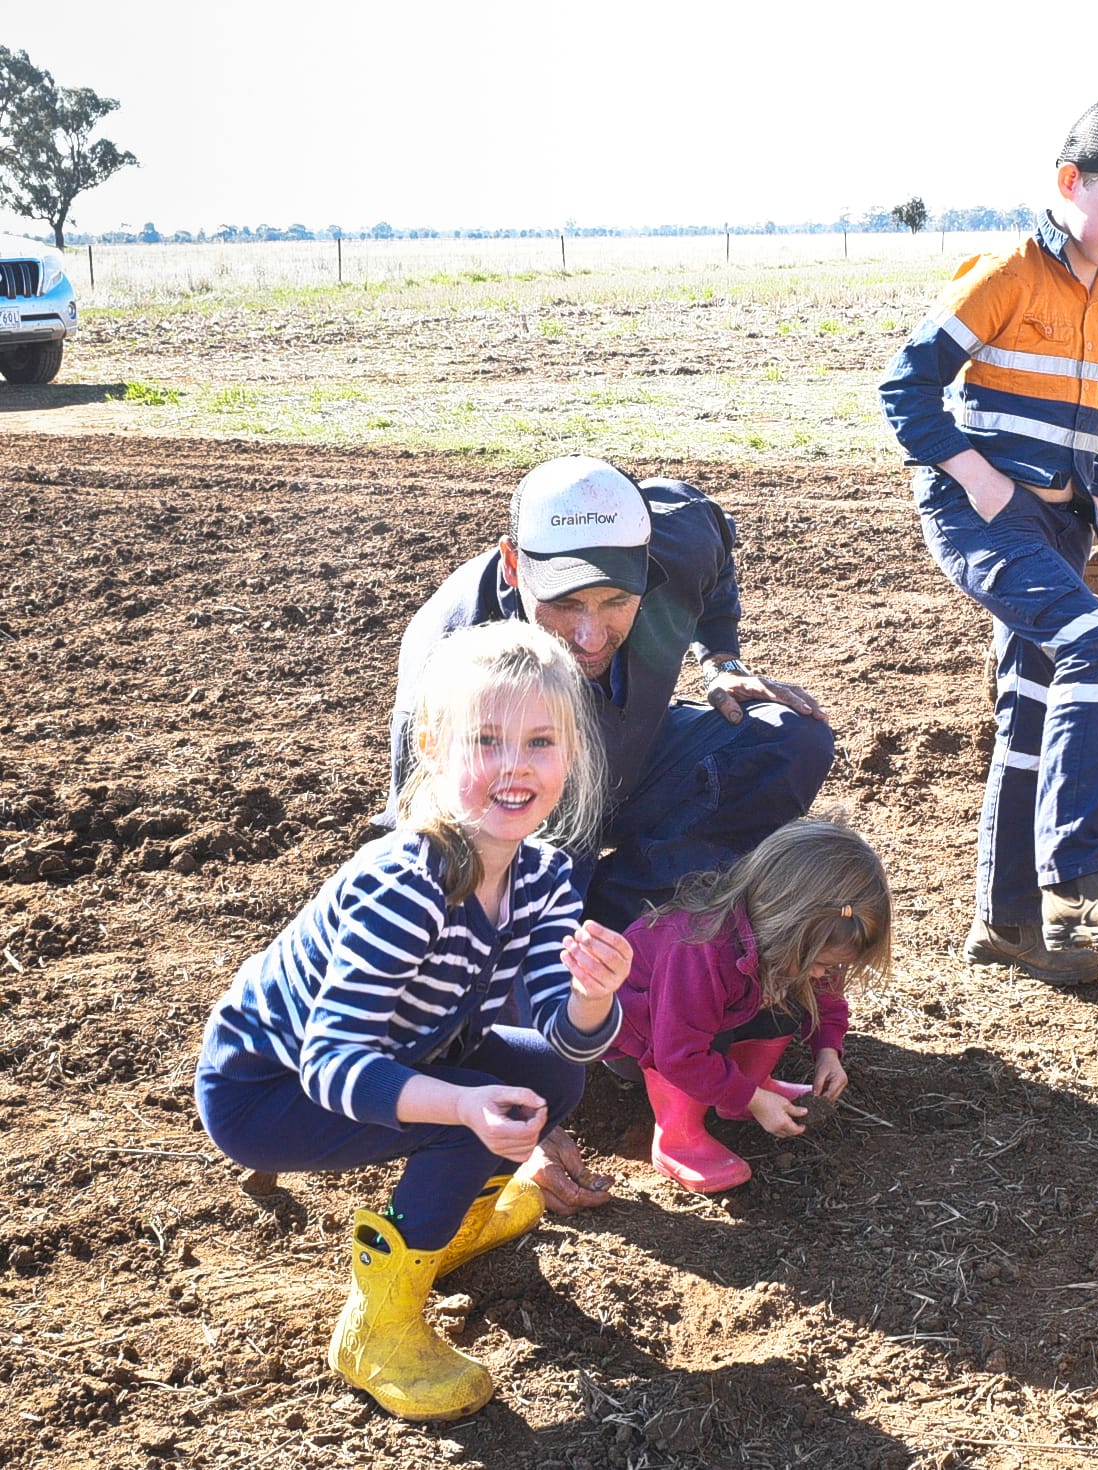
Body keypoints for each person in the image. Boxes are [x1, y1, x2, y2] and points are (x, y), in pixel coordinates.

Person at [196, 621, 632, 1422]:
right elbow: (330, 1061)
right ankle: (379, 1330)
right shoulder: (409, 884)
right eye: (486, 740)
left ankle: (451, 1224)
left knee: (548, 1074)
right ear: (432, 747)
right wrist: (463, 1105)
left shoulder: (541, 874)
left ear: (571, 754)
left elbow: (563, 1032)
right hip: (269, 1088)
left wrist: (595, 995)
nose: (514, 766)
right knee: (474, 1114)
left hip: (404, 1051)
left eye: (540, 741)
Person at [387, 455, 835, 1213]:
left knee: (786, 740)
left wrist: (721, 661)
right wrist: (511, 1116)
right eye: (563, 604)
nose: (591, 634)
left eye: (617, 601)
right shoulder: (455, 663)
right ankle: (570, 965)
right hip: (526, 816)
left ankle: (636, 949)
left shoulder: (678, 538)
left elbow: (714, 544)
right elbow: (431, 871)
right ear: (513, 564)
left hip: (629, 761)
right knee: (511, 902)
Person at [879, 95, 1098, 986]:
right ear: (1069, 183)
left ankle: (1012, 923)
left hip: (1058, 525)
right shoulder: (1004, 276)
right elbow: (902, 390)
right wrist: (977, 476)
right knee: (1096, 643)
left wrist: (1093, 491)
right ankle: (1073, 879)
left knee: (1033, 701)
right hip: (982, 514)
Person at [605, 815, 891, 1193]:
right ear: (786, 925)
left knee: (794, 993)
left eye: (832, 966)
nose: (824, 974)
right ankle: (678, 1137)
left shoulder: (789, 942)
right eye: (821, 964)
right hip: (639, 1045)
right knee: (713, 1031)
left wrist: (828, 1051)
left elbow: (826, 994)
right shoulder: (699, 949)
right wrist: (757, 1101)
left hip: (706, 1024)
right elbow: (677, 1053)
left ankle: (740, 1094)